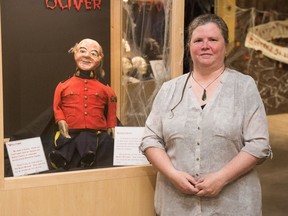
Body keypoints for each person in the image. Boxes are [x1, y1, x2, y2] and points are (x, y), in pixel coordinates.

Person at [140, 14, 272, 215]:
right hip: (177, 206)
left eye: (213, 40)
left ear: (225, 47)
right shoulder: (169, 90)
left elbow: (259, 144)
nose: (205, 45)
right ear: (189, 47)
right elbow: (151, 139)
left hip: (232, 205)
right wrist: (173, 174)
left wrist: (222, 178)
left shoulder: (244, 87)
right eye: (198, 40)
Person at [49, 38, 117, 170]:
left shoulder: (105, 88)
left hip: (94, 130)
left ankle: (87, 158)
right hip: (71, 129)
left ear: (100, 58)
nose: (86, 56)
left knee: (87, 138)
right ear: (75, 53)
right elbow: (57, 106)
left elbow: (111, 108)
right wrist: (61, 120)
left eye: (93, 53)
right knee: (67, 140)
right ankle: (61, 159)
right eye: (82, 51)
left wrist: (111, 126)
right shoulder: (63, 85)